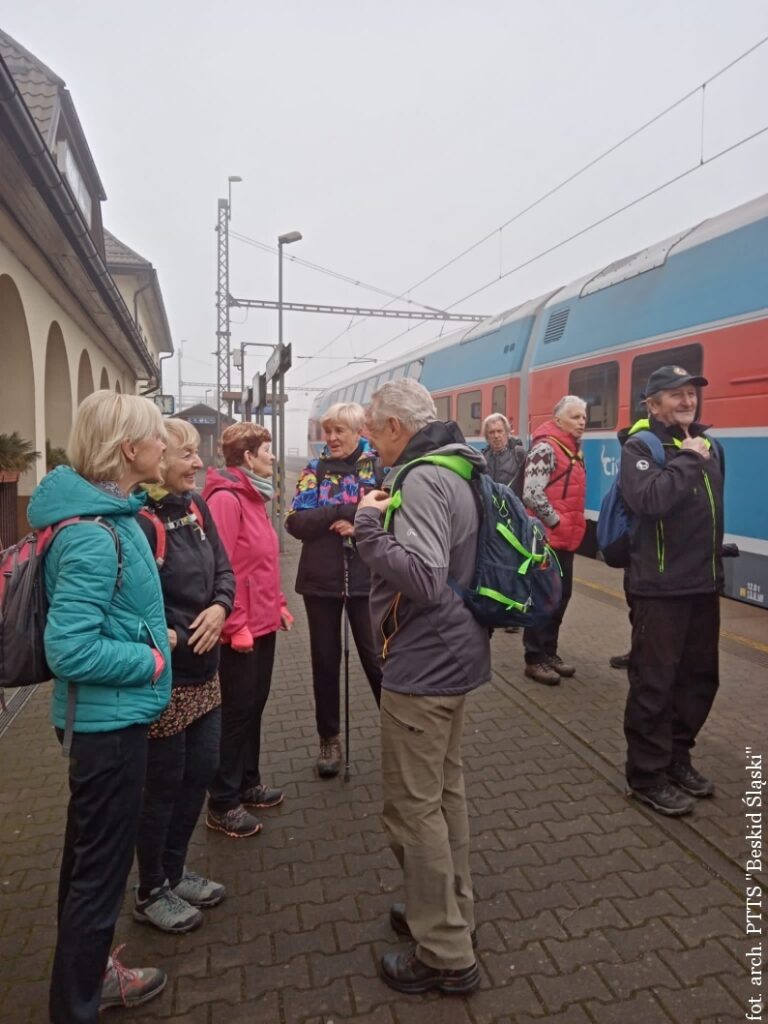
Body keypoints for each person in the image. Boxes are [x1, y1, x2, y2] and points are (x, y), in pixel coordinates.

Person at [26, 390, 171, 1023]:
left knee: (88, 862)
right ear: (127, 450)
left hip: (106, 723)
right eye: (155, 436)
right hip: (109, 728)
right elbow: (71, 650)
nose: (165, 445)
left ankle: (86, 980)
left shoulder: (109, 520)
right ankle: (78, 1004)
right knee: (98, 875)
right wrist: (151, 658)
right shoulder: (94, 536)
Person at [354, 378, 490, 997]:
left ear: (392, 427)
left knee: (413, 808)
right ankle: (448, 910)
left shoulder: (420, 478)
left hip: (425, 662)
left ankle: (444, 951)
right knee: (444, 793)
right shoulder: (459, 467)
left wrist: (367, 530)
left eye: (371, 428)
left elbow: (427, 579)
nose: (367, 440)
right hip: (457, 654)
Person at [133, 419, 235, 932]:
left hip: (206, 672)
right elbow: (136, 604)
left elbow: (224, 568)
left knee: (200, 772)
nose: (198, 463)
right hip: (167, 681)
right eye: (187, 454)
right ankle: (151, 888)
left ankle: (174, 870)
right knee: (163, 785)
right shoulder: (140, 520)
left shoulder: (195, 508)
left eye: (199, 453)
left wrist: (220, 607)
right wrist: (179, 630)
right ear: (157, 458)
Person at [620, 365, 725, 817]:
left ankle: (677, 759)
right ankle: (646, 776)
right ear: (652, 404)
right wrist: (689, 459)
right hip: (659, 589)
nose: (687, 401)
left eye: (691, 393)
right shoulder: (641, 446)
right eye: (675, 394)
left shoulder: (708, 445)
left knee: (699, 680)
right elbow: (650, 501)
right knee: (654, 684)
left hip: (703, 584)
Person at [202, 423, 292, 838]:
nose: (273, 456)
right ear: (248, 456)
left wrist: (278, 605)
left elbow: (261, 563)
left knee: (254, 704)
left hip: (262, 623)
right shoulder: (225, 499)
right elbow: (222, 568)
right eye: (267, 449)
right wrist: (235, 623)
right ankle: (222, 801)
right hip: (239, 629)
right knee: (235, 713)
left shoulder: (254, 496)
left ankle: (248, 781)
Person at [285, 402, 382, 777]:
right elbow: (295, 521)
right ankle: (329, 738)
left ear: (360, 430)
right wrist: (344, 511)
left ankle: (397, 731)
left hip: (367, 577)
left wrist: (360, 526)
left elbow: (394, 511)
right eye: (328, 431)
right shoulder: (315, 469)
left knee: (376, 659)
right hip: (321, 580)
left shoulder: (377, 467)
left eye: (340, 430)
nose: (332, 438)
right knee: (325, 662)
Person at [521, 395, 587, 685]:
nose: (582, 422)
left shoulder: (573, 450)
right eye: (575, 417)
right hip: (547, 538)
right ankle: (534, 658)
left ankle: (549, 652)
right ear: (558, 419)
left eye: (584, 417)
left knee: (561, 597)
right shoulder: (545, 448)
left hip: (565, 539)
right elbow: (532, 493)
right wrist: (556, 521)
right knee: (543, 599)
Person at [481, 412, 526, 497]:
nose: (496, 436)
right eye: (491, 432)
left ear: (507, 432)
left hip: (513, 507)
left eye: (499, 431)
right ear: (487, 436)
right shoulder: (482, 459)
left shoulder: (519, 454)